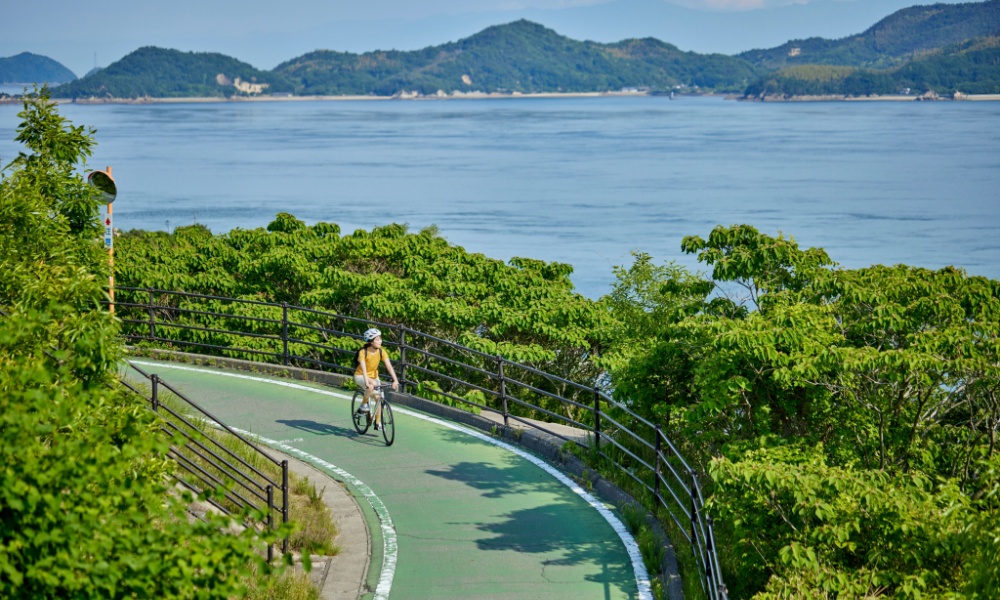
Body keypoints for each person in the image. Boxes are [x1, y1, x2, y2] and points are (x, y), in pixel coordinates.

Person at [353, 328, 399, 430]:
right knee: (372, 385)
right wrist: (367, 382)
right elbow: (364, 370)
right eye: (377, 339)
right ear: (371, 341)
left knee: (379, 398)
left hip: (374, 377)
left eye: (380, 338)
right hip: (360, 376)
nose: (380, 341)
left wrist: (395, 380)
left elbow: (389, 367)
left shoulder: (382, 352)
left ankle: (377, 423)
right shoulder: (363, 352)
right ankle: (363, 405)